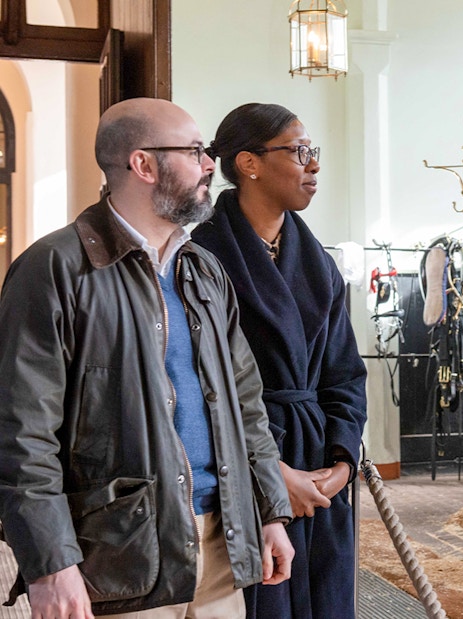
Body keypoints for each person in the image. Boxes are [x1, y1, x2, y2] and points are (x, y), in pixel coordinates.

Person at [0, 97, 294, 619]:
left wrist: (270, 512)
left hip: (220, 541)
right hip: (117, 555)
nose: (210, 165)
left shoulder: (204, 270)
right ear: (143, 164)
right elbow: (21, 433)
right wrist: (50, 563)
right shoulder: (53, 269)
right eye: (196, 151)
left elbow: (245, 402)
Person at [192, 102, 367, 619]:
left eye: (314, 152)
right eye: (299, 151)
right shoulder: (200, 256)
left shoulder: (320, 265)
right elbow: (197, 383)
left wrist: (341, 460)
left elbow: (344, 372)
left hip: (316, 462)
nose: (313, 165)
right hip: (244, 465)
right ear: (249, 163)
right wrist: (271, 475)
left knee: (326, 596)